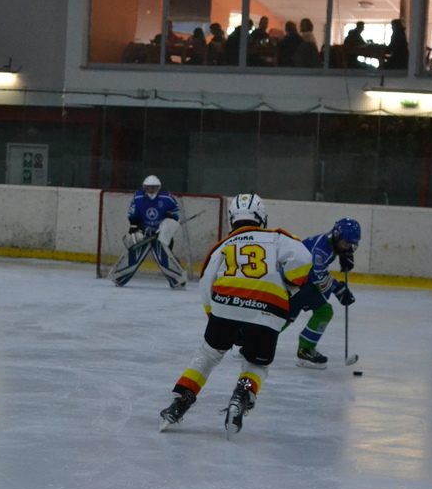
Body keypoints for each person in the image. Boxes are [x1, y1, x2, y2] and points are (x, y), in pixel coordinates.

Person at [159, 194, 313, 436]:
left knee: (208, 354)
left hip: (225, 306)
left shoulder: (224, 244)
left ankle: (181, 399)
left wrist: (216, 317)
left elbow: (206, 282)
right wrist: (289, 286)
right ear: (262, 217)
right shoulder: (276, 237)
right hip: (267, 309)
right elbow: (303, 259)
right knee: (255, 363)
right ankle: (242, 393)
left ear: (231, 218)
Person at [285, 219, 360, 369]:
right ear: (337, 235)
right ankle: (305, 350)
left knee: (284, 316)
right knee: (323, 311)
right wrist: (338, 289)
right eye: (345, 243)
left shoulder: (330, 242)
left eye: (350, 244)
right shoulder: (322, 250)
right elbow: (317, 274)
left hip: (295, 278)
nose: (347, 247)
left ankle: (254, 342)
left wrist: (344, 254)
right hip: (298, 280)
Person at [109, 175, 187, 289]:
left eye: (154, 187)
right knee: (134, 254)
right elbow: (133, 216)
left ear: (159, 187)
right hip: (144, 233)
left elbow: (175, 215)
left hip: (161, 234)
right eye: (149, 187)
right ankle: (118, 277)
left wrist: (165, 226)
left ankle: (178, 280)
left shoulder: (167, 198)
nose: (151, 190)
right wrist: (138, 229)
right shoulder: (138, 197)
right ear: (145, 187)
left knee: (165, 256)